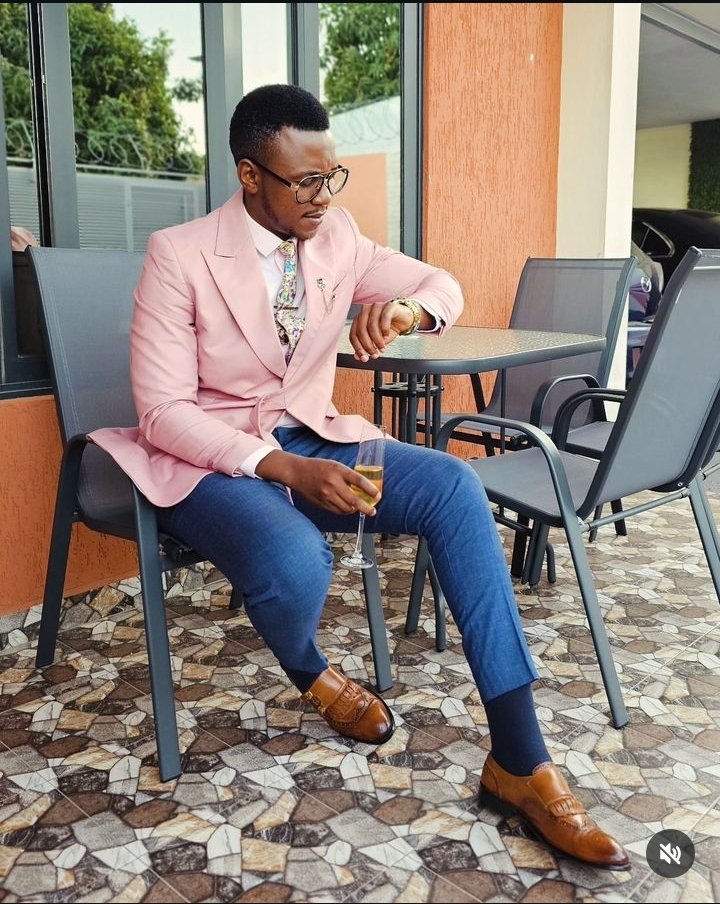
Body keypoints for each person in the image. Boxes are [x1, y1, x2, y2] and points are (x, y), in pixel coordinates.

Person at [91, 83, 630, 871]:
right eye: (305, 181)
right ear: (250, 175)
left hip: (315, 437)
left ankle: (520, 759)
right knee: (296, 560)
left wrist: (406, 312)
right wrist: (281, 467)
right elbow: (164, 412)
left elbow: (443, 284)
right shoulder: (181, 255)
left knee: (454, 487)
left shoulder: (336, 236)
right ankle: (312, 673)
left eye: (330, 175)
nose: (323, 195)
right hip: (206, 462)